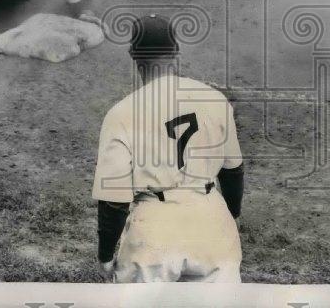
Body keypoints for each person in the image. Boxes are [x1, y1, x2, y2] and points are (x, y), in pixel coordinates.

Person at [92, 14, 244, 283]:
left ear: (133, 56)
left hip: (155, 231)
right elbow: (233, 172)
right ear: (176, 52)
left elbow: (114, 201)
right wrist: (229, 218)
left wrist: (105, 256)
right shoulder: (214, 99)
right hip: (212, 222)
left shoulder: (122, 113)